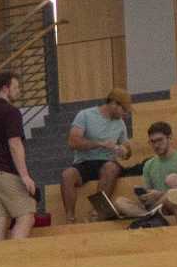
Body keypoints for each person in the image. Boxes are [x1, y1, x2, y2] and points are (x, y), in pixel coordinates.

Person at [0, 69, 39, 242]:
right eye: (16, 87)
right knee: (26, 216)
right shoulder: (11, 112)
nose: (19, 91)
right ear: (5, 88)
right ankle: (15, 262)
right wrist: (25, 176)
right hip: (5, 174)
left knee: (0, 221)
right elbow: (14, 143)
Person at [58, 90, 135, 222]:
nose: (125, 114)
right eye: (124, 110)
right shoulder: (85, 115)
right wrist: (100, 144)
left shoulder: (120, 123)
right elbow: (73, 142)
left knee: (111, 167)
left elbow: (128, 149)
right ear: (114, 104)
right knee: (67, 175)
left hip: (107, 163)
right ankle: (70, 218)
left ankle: (97, 212)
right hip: (84, 162)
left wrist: (124, 151)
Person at [124, 120, 177, 221]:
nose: (156, 145)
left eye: (159, 140)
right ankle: (149, 215)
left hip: (173, 204)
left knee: (172, 194)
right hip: (155, 204)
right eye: (152, 142)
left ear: (169, 138)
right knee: (120, 202)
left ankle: (149, 215)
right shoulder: (149, 164)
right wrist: (145, 196)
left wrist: (161, 194)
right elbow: (148, 191)